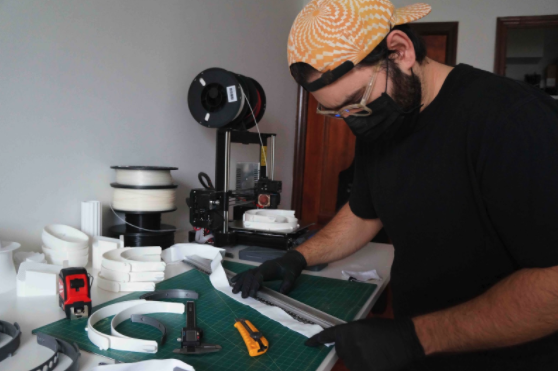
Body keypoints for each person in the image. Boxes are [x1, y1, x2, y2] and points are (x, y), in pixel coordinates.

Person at [231, 1, 558, 370]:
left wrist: (417, 337)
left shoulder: (514, 121)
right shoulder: (385, 120)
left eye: (356, 102)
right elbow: (363, 213)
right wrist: (297, 257)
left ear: (400, 51)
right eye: (339, 112)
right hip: (418, 352)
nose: (354, 121)